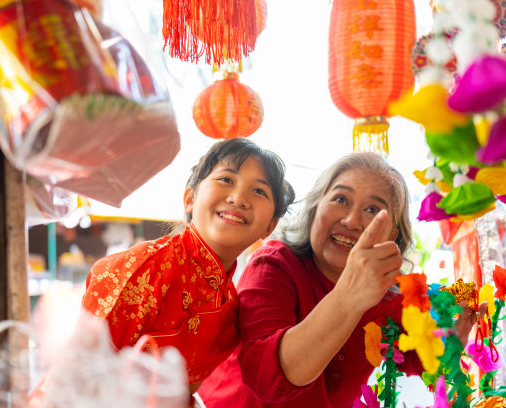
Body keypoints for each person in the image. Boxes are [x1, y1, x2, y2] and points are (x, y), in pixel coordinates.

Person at [197, 152, 479, 407]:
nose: (352, 221)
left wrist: (454, 332)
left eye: (373, 210)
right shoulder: (273, 264)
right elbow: (266, 380)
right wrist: (350, 296)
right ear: (315, 208)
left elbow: (421, 358)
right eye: (340, 199)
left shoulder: (390, 293)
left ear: (392, 236)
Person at [81, 137, 295, 393]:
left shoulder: (229, 303)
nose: (239, 198)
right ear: (190, 199)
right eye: (226, 179)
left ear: (270, 226)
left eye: (259, 191)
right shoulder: (141, 269)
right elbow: (79, 375)